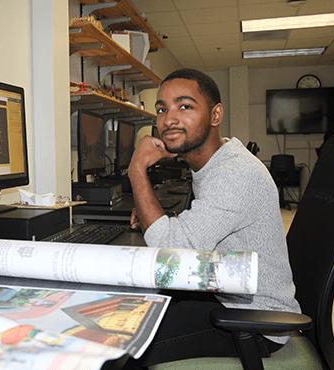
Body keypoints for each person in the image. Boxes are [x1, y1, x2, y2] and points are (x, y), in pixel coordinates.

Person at [127, 68, 301, 366]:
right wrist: (152, 209)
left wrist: (136, 171)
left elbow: (170, 251)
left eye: (185, 106)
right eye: (161, 108)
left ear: (215, 115)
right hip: (229, 295)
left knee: (123, 346)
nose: (169, 119)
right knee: (133, 309)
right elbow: (206, 226)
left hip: (252, 321)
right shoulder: (215, 162)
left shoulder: (235, 173)